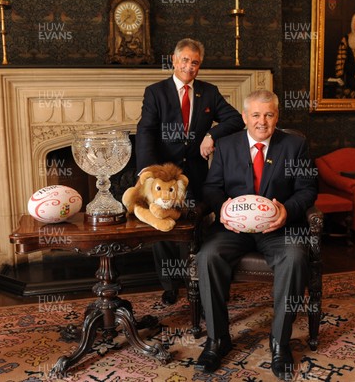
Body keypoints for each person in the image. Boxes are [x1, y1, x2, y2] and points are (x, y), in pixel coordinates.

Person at [194, 89, 317, 380]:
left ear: (277, 116)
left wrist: (287, 210)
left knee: (296, 257)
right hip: (234, 229)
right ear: (245, 117)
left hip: (279, 228)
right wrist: (222, 207)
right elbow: (212, 187)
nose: (262, 121)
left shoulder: (295, 145)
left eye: (269, 115)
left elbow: (308, 189)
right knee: (207, 256)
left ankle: (280, 342)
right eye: (256, 115)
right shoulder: (226, 145)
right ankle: (217, 340)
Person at [135, 38, 244, 304]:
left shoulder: (208, 92)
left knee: (194, 225)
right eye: (184, 60)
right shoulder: (156, 92)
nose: (189, 66)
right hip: (164, 175)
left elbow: (235, 119)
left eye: (195, 62)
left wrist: (211, 134)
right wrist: (148, 172)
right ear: (173, 60)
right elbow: (146, 130)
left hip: (196, 173)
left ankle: (199, 282)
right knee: (163, 226)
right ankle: (170, 285)